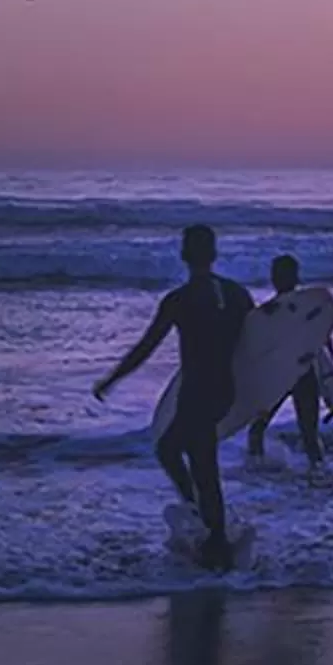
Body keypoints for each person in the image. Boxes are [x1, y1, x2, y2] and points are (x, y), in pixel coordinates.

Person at [95, 223, 253, 562]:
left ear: (184, 255)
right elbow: (258, 346)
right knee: (173, 449)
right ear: (213, 254)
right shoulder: (238, 294)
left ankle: (216, 541)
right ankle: (205, 522)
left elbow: (146, 347)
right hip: (225, 388)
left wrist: (112, 379)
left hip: (197, 390)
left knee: (200, 463)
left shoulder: (179, 300)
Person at [247, 253, 333, 468]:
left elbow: (324, 343)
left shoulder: (271, 311)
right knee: (263, 429)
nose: (280, 279)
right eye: (279, 275)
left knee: (302, 433)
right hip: (289, 375)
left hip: (292, 375)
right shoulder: (270, 312)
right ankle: (316, 471)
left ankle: (256, 469)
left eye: (283, 275)